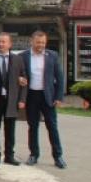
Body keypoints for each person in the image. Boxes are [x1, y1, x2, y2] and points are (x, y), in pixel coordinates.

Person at [21, 30, 66, 169]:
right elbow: (18, 73)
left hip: (48, 97)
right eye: (38, 42)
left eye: (43, 42)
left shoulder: (52, 55)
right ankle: (34, 154)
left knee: (52, 127)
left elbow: (59, 77)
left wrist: (59, 97)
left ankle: (58, 156)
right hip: (31, 96)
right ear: (31, 41)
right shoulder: (24, 56)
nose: (40, 45)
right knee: (33, 126)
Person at [0, 32, 27, 166]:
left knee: (10, 129)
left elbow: (24, 80)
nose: (0, 44)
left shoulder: (18, 59)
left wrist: (22, 99)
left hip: (11, 100)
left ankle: (9, 155)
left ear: (10, 44)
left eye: (3, 42)